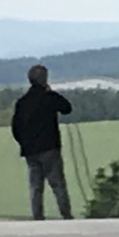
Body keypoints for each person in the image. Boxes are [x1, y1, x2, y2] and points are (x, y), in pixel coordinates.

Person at [10, 63, 74, 220]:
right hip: (49, 147)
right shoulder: (49, 98)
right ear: (44, 79)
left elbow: (15, 127)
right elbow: (67, 108)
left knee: (35, 186)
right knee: (57, 183)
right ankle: (66, 215)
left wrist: (24, 143)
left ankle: (37, 217)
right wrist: (51, 92)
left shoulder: (22, 102)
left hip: (30, 150)